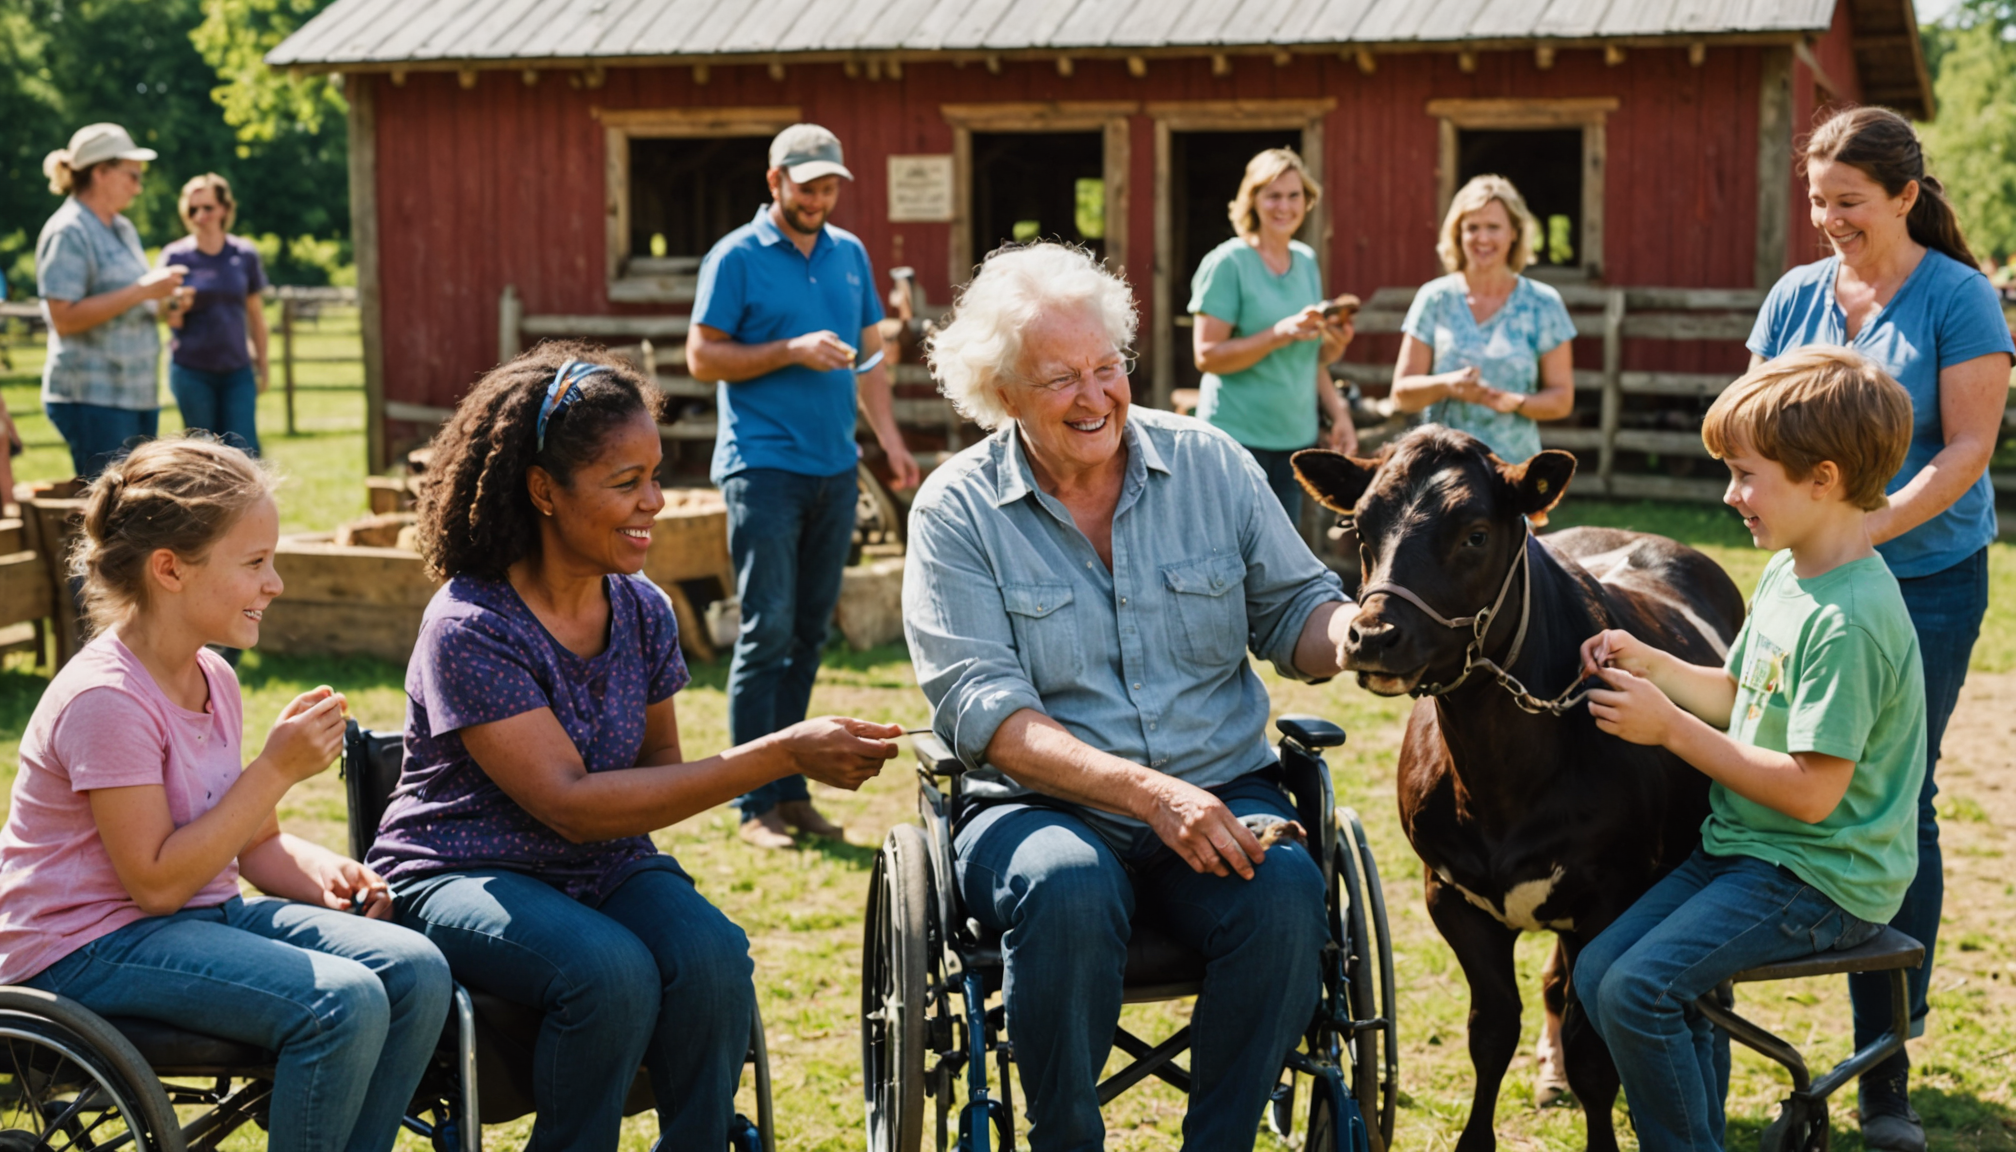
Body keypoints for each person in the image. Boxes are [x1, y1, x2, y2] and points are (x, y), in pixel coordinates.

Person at [370, 344, 901, 1151]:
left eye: (656, 475)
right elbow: (571, 806)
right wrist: (782, 754)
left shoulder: (643, 608)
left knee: (714, 954)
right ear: (544, 490)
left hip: (603, 866)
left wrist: (761, 763)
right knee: (607, 973)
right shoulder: (469, 626)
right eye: (626, 484)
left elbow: (658, 768)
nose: (653, 501)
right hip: (461, 869)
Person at [904, 243, 1363, 1150]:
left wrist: (1355, 631)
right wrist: (1152, 797)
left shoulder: (1211, 464)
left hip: (1221, 788)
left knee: (1285, 893)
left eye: (1107, 367)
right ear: (1000, 394)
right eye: (1060, 379)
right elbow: (986, 713)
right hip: (1040, 809)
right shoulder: (956, 511)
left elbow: (1298, 609)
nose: (1095, 397)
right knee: (1067, 887)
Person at [0, 437, 452, 1152]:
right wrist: (274, 768)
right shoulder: (105, 700)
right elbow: (153, 883)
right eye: (254, 563)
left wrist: (324, 875)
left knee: (414, 970)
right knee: (342, 1003)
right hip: (80, 947)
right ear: (170, 569)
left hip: (192, 919)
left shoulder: (216, 677)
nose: (274, 582)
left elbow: (255, 842)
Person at [1570, 347, 1927, 1152]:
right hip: (1748, 852)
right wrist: (1651, 662)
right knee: (1599, 973)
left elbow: (1810, 794)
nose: (1730, 495)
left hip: (1822, 875)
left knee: (1637, 989)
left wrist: (1668, 728)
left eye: (1745, 475)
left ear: (1822, 479)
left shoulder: (1850, 620)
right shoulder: (1789, 575)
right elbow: (1739, 697)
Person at [1745, 105, 2016, 1151]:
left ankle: (1885, 1061)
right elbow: (1755, 413)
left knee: (1902, 794)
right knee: (1775, 765)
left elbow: (1964, 453)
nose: (1828, 221)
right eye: (1817, 201)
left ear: (1905, 195)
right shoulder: (1795, 297)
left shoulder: (1958, 298)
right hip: (1805, 578)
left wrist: (1865, 529)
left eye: (1847, 201)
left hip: (1929, 580)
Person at [687, 122, 920, 850]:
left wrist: (889, 443)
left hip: (835, 467)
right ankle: (754, 801)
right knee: (768, 630)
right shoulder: (735, 257)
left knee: (811, 633)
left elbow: (871, 364)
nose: (819, 197)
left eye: (829, 185)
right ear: (775, 180)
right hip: (764, 467)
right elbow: (701, 357)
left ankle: (791, 791)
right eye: (807, 183)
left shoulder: (850, 254)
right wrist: (789, 349)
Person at [1189, 147, 1357, 524]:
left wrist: (1338, 412)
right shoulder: (1227, 263)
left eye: (1294, 195)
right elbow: (1207, 356)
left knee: (1283, 568)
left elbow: (1310, 358)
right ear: (1253, 200)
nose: (1285, 205)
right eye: (1273, 195)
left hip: (1295, 440)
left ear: (1307, 201)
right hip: (1236, 438)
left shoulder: (1306, 261)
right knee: (1234, 558)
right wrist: (1278, 333)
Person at [1391, 174, 1576, 462]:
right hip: (1442, 473)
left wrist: (1516, 402)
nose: (1483, 238)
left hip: (1513, 473)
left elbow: (1562, 400)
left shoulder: (1543, 303)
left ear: (1514, 232)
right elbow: (1401, 394)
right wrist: (1448, 385)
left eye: (1493, 227)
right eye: (1473, 228)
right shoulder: (1435, 298)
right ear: (1458, 234)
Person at [35, 124, 182, 478]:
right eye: (131, 175)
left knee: (133, 511)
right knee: (114, 518)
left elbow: (127, 301)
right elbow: (64, 318)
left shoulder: (121, 228)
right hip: (93, 398)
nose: (138, 186)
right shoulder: (69, 230)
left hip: (134, 394)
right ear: (100, 173)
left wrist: (165, 305)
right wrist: (143, 290)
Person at [161, 173, 269, 456]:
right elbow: (168, 318)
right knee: (203, 454)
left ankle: (247, 503)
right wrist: (176, 306)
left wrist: (264, 365)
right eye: (192, 209)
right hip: (192, 370)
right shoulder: (175, 256)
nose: (200, 215)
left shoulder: (243, 254)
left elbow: (256, 315)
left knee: (244, 452)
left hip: (237, 369)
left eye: (207, 207)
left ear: (224, 208)